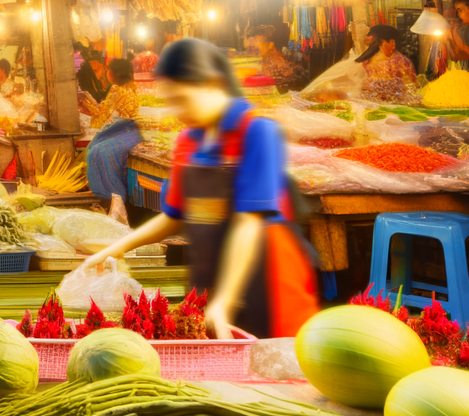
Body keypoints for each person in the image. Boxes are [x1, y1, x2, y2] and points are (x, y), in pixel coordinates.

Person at [84, 39, 319, 339]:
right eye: (171, 101)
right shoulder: (189, 141)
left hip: (268, 287)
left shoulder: (257, 133)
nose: (177, 110)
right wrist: (115, 249)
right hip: (210, 284)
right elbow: (175, 217)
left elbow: (249, 223)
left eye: (182, 99)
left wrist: (225, 301)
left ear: (212, 84)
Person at [84, 58, 144, 207]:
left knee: (94, 151)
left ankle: (109, 197)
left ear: (111, 73)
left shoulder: (117, 89)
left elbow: (102, 118)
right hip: (133, 133)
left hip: (122, 133)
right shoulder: (132, 88)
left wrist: (85, 104)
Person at [247, 23, 308, 93]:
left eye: (258, 41)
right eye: (254, 41)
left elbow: (284, 89)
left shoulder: (278, 64)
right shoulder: (267, 60)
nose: (255, 45)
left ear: (270, 44)